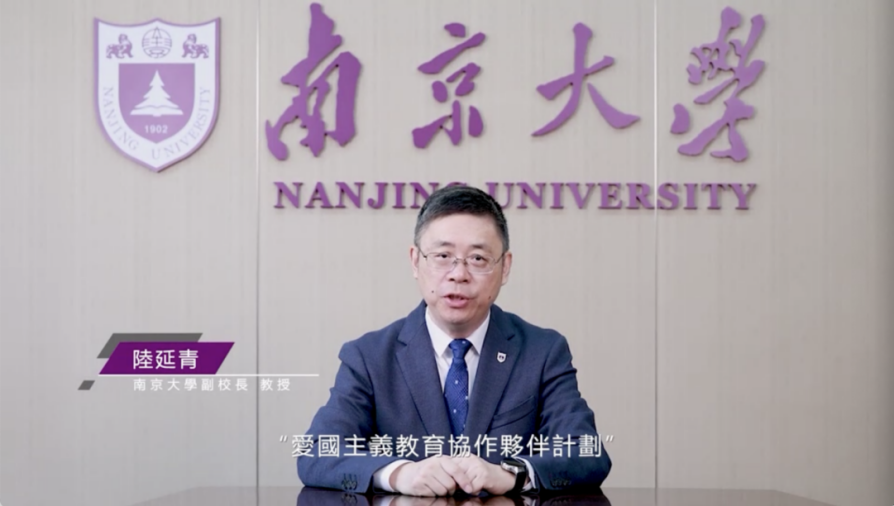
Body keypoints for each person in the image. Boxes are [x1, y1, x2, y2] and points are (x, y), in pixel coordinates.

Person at [297, 185, 611, 497]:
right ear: (415, 261)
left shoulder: (542, 352)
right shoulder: (369, 356)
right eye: (443, 256)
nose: (458, 274)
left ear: (505, 267)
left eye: (478, 258)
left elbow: (586, 452)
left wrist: (511, 474)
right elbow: (317, 450)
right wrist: (399, 473)